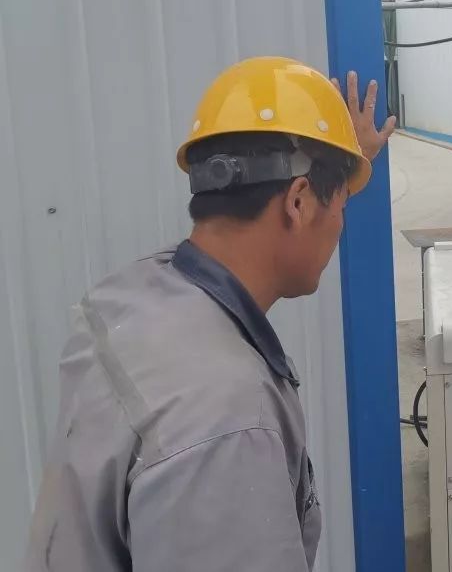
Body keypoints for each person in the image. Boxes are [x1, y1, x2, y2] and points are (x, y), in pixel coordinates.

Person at [23, 58, 395, 571]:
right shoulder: (228, 424)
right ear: (298, 202)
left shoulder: (136, 297)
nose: (340, 225)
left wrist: (340, 173)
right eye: (342, 206)